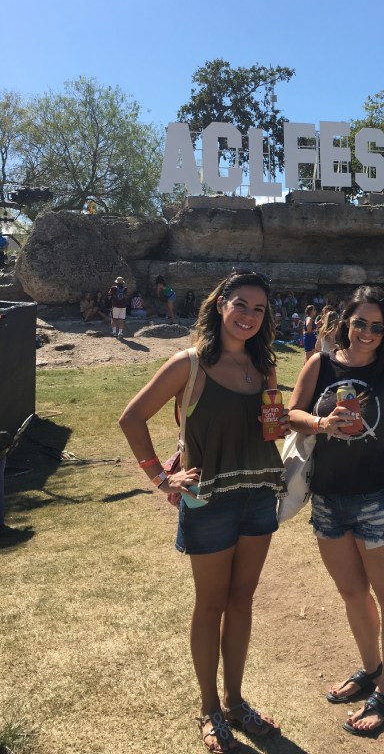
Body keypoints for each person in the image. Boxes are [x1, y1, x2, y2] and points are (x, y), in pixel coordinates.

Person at [119, 270, 286, 752]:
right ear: (220, 305)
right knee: (210, 605)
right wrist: (160, 478)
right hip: (208, 501)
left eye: (258, 309)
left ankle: (235, 701)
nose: (249, 316)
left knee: (242, 601)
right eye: (241, 305)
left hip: (259, 495)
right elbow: (131, 418)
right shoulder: (188, 363)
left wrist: (300, 421)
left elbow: (272, 426)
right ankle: (210, 708)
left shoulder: (264, 366)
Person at [288, 285, 384, 737]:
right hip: (328, 499)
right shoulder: (320, 364)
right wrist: (322, 423)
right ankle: (371, 668)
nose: (367, 333)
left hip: (379, 501)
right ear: (346, 322)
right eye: (360, 322)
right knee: (352, 594)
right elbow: (291, 414)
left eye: (378, 327)